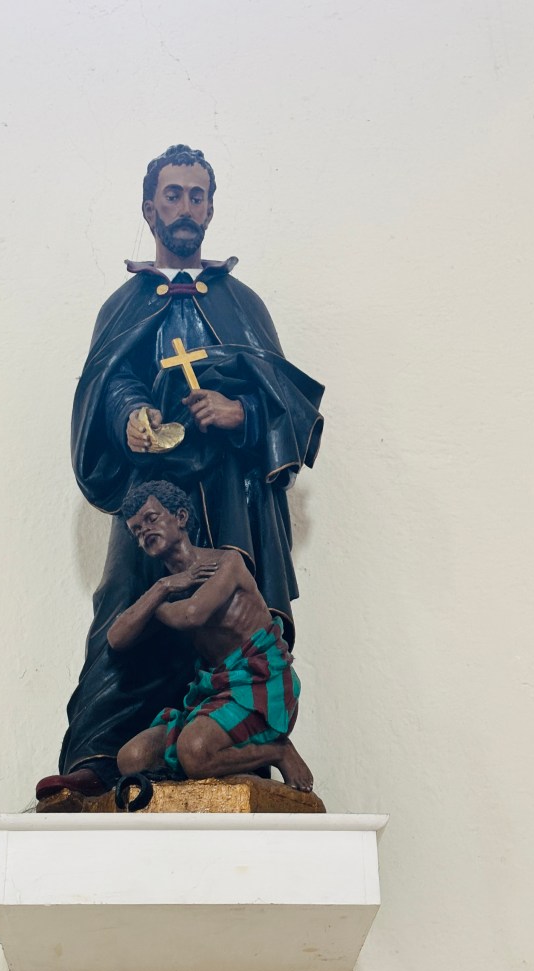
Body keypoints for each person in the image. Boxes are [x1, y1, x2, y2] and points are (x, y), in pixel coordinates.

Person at [36, 144, 324, 803]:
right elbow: (107, 383)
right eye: (173, 195)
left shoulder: (242, 302)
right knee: (123, 605)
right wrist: (128, 415)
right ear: (149, 209)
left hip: (228, 490)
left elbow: (290, 406)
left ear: (211, 209)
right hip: (150, 488)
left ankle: (234, 745)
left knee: (231, 615)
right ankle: (100, 755)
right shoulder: (124, 304)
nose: (186, 207)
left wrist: (240, 412)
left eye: (197, 195)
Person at [111, 481, 313, 792]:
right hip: (215, 692)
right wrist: (163, 587)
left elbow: (193, 614)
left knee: (194, 751)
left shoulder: (227, 562)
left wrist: (154, 607)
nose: (144, 531)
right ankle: (207, 766)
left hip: (262, 684)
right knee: (132, 758)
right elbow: (116, 638)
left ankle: (277, 751)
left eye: (151, 518)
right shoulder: (166, 589)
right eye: (136, 530)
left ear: (180, 517)